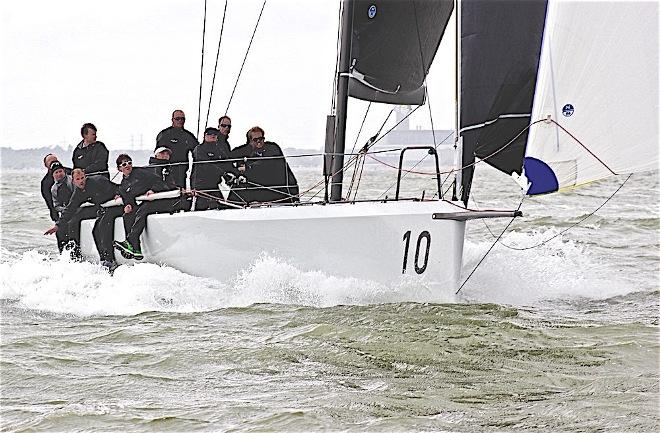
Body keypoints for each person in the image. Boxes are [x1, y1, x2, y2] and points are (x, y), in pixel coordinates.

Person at [44, 169, 122, 271]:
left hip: (117, 205)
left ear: (85, 177)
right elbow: (69, 209)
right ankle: (105, 260)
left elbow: (117, 188)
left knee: (103, 226)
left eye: (82, 178)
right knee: (95, 231)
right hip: (105, 208)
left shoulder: (98, 180)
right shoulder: (78, 192)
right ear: (73, 181)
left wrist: (118, 193)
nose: (81, 181)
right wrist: (57, 226)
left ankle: (111, 260)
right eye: (78, 179)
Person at [114, 154, 174, 260]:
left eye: (129, 163)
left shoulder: (140, 173)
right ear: (119, 168)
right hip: (144, 203)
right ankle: (136, 249)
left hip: (157, 201)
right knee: (127, 215)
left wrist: (153, 190)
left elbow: (160, 182)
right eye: (124, 164)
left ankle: (130, 241)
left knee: (143, 210)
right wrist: (127, 205)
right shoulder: (123, 184)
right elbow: (127, 198)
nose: (128, 165)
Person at [229, 126, 299, 204]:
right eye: (255, 140)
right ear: (250, 141)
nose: (259, 141)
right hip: (261, 190)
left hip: (281, 190)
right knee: (237, 187)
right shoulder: (246, 150)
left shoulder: (273, 148)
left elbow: (266, 162)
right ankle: (228, 207)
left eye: (261, 139)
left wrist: (247, 168)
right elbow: (230, 156)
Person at [155, 109, 198, 210]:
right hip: (165, 171)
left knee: (181, 198)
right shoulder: (164, 134)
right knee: (167, 196)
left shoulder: (188, 136)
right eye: (177, 119)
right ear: (172, 120)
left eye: (182, 119)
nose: (180, 121)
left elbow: (198, 152)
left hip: (181, 172)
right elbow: (158, 153)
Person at [191, 127, 235, 210]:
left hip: (214, 183)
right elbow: (205, 165)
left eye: (215, 134)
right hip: (201, 184)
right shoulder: (199, 149)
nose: (212, 135)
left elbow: (227, 163)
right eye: (210, 134)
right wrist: (223, 173)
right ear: (204, 136)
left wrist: (235, 173)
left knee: (221, 205)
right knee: (201, 207)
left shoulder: (219, 150)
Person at [41, 154, 72, 251]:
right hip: (59, 211)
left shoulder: (70, 172)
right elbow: (50, 203)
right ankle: (64, 257)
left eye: (55, 160)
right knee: (61, 233)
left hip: (74, 207)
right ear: (46, 166)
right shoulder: (46, 182)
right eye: (50, 162)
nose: (53, 163)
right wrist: (56, 218)